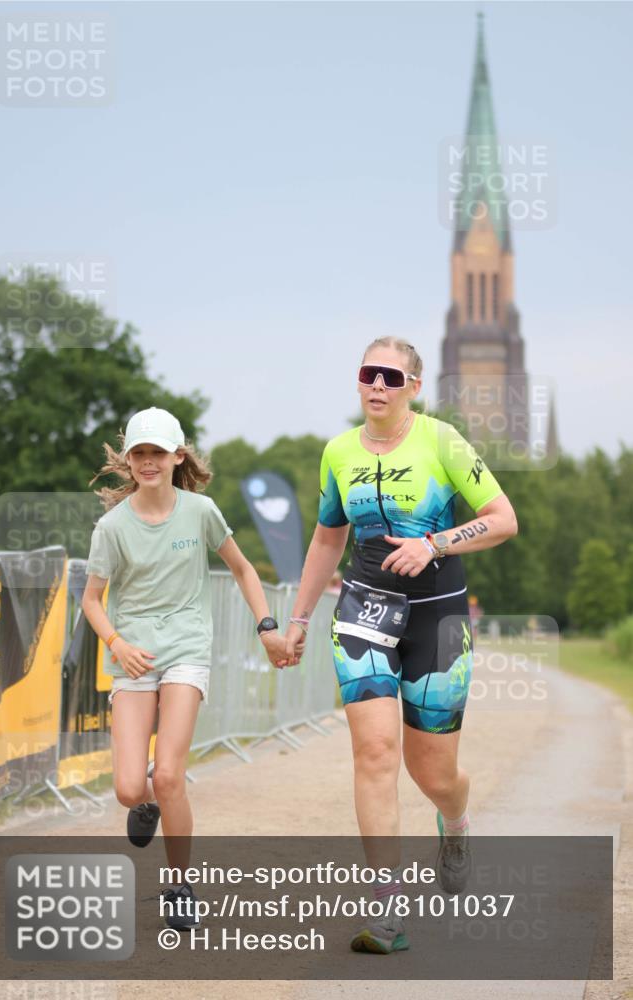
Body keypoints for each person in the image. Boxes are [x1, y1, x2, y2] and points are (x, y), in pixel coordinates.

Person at [284, 337, 517, 954]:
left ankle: (457, 823)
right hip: (363, 608)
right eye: (369, 373)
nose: (378, 385)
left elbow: (502, 518)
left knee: (433, 774)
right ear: (358, 382)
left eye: (392, 375)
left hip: (437, 618)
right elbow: (326, 541)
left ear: (414, 386)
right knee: (376, 752)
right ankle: (387, 913)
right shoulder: (337, 452)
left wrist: (434, 543)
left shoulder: (442, 441)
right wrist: (300, 620)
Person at [81, 407, 292, 931]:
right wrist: (116, 641)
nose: (148, 462)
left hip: (187, 649)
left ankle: (179, 884)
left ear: (179, 456)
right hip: (134, 656)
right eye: (139, 453)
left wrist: (266, 625)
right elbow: (91, 600)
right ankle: (146, 802)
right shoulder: (111, 527)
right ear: (128, 460)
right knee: (131, 788)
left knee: (171, 773)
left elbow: (242, 568)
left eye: (158, 452)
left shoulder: (200, 512)